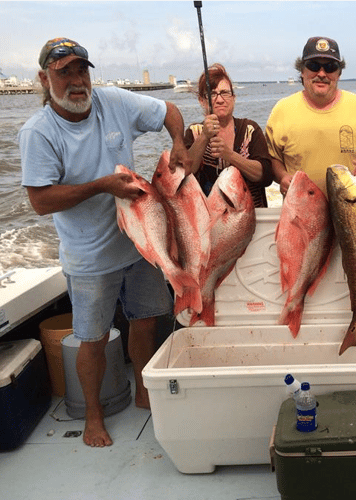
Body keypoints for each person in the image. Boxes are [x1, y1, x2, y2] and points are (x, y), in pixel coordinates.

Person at [19, 38, 191, 448]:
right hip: (89, 255)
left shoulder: (113, 101)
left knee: (146, 321)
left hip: (139, 244)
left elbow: (169, 110)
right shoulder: (38, 133)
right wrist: (103, 187)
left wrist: (180, 144)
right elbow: (40, 201)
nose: (77, 82)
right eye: (65, 73)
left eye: (82, 71)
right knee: (92, 338)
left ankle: (144, 391)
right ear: (45, 79)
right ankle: (93, 415)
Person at [265, 36, 356, 196]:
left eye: (330, 67)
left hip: (348, 208)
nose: (321, 73)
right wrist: (283, 176)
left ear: (339, 73)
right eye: (313, 66)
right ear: (302, 71)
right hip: (300, 209)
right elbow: (273, 157)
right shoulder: (282, 109)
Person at [184, 63, 273, 206]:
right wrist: (204, 137)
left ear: (234, 97)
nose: (220, 99)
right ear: (202, 101)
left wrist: (229, 155)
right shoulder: (194, 133)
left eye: (225, 93)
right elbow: (185, 173)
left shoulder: (250, 130)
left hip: (249, 215)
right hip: (208, 218)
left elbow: (265, 176)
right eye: (212, 94)